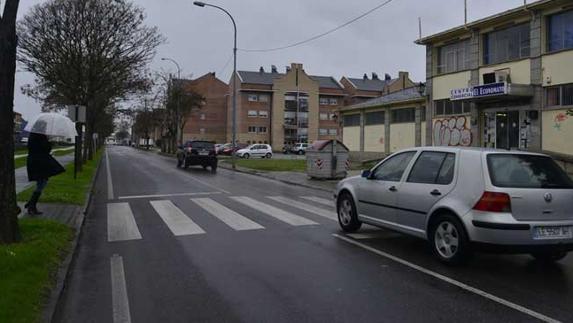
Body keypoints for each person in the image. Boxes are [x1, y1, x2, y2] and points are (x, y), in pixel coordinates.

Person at [25, 132, 65, 215]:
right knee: (42, 183)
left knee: (42, 182)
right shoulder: (40, 136)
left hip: (35, 161)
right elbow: (46, 148)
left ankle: (31, 203)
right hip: (40, 162)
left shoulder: (33, 136)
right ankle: (31, 205)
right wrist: (49, 142)